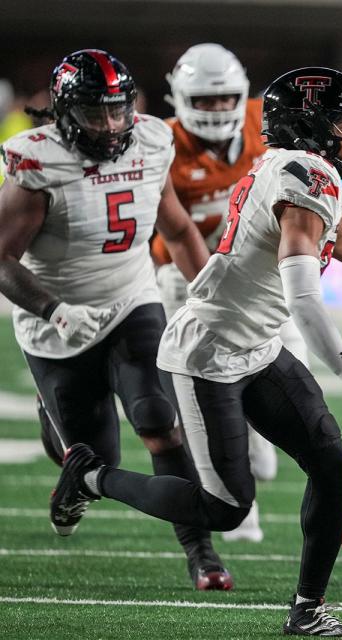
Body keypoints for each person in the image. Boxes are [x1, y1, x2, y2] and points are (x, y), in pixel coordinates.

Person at [49, 67, 342, 636]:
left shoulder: (300, 168)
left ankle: (308, 610)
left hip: (257, 344)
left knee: (330, 461)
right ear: (312, 126)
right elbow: (303, 297)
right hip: (211, 353)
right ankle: (91, 476)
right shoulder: (305, 174)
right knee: (226, 508)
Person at [0, 49, 232, 590]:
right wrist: (52, 311)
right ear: (63, 113)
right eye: (93, 113)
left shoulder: (152, 141)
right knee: (91, 459)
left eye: (118, 109)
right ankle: (54, 425)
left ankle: (201, 551)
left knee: (158, 420)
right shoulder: (39, 162)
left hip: (131, 299)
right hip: (57, 319)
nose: (110, 126)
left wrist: (211, 298)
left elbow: (175, 229)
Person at [155, 42, 291, 543]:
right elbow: (175, 235)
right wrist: (206, 296)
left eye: (225, 98)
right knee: (210, 383)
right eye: (204, 100)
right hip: (185, 272)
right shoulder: (162, 146)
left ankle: (259, 436)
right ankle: (238, 503)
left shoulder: (267, 122)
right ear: (179, 97)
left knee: (279, 359)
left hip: (256, 272)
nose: (216, 109)